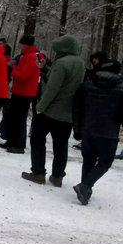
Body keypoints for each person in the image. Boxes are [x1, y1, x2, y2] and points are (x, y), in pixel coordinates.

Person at [22, 35, 85, 187]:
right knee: (61, 145)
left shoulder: (61, 63)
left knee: (37, 139)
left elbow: (52, 88)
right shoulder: (80, 63)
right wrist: (45, 69)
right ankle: (57, 176)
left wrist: (40, 107)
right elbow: (65, 83)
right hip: (68, 113)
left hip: (51, 111)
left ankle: (38, 172)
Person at [72, 60, 123, 205]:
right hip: (108, 133)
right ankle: (85, 186)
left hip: (88, 129)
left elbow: (77, 109)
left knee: (89, 160)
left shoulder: (86, 86)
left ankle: (85, 189)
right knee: (105, 162)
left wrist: (77, 129)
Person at [4, 36, 43, 154]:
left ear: (26, 44)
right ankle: (11, 141)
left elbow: (24, 75)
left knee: (19, 119)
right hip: (19, 90)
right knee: (12, 117)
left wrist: (12, 70)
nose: (19, 45)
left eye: (21, 43)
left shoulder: (32, 57)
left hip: (25, 92)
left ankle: (19, 145)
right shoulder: (26, 55)